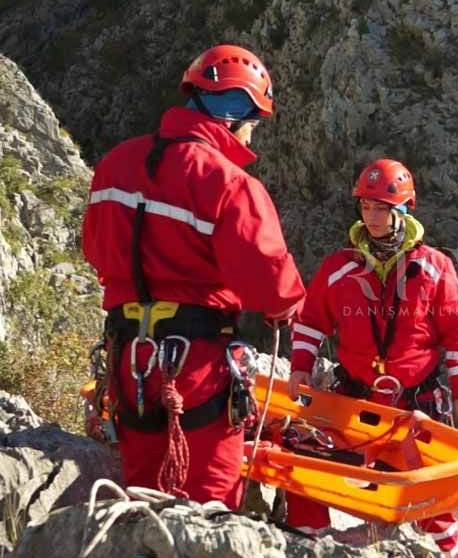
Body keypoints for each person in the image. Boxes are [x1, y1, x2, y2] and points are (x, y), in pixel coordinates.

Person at [81, 44, 305, 509]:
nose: (251, 137)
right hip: (196, 365)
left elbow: (95, 252)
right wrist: (288, 308)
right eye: (253, 122)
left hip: (129, 360)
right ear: (236, 112)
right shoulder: (229, 184)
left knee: (140, 497)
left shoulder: (113, 166)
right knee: (209, 502)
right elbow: (272, 285)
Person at [285, 158, 458, 557]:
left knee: (430, 492)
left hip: (414, 403)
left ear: (403, 210)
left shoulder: (435, 269)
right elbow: (310, 321)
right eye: (366, 207)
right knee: (305, 467)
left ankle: (450, 553)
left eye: (382, 208)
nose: (372, 217)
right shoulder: (340, 268)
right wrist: (301, 367)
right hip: (353, 398)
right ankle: (311, 546)